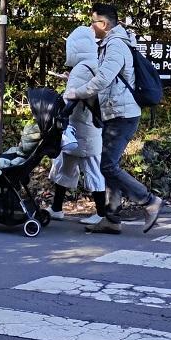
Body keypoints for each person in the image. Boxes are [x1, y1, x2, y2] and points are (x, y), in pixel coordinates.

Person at [65, 3, 164, 234]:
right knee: (109, 164)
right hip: (116, 112)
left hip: (123, 114)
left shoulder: (116, 45)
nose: (92, 27)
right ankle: (111, 218)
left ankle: (149, 201)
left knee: (107, 165)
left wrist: (77, 92)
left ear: (104, 24)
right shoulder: (112, 43)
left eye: (93, 22)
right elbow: (104, 77)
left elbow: (103, 80)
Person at [47, 26, 108, 225]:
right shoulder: (93, 63)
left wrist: (60, 115)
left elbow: (73, 98)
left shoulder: (82, 68)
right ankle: (56, 208)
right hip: (83, 127)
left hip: (81, 128)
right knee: (65, 166)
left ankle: (101, 213)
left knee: (91, 169)